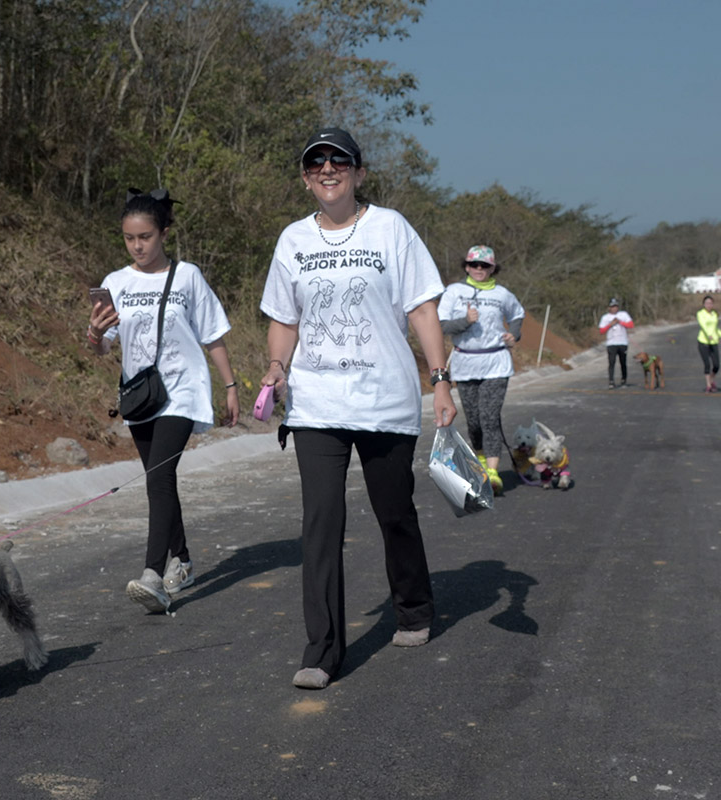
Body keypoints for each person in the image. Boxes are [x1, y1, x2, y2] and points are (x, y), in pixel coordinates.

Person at [258, 127, 456, 690]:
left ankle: (414, 606)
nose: (327, 169)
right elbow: (283, 318)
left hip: (385, 397)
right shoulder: (292, 240)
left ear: (358, 172)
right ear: (305, 177)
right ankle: (321, 650)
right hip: (317, 400)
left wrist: (439, 380)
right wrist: (277, 366)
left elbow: (421, 308)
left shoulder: (390, 227)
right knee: (320, 522)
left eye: (338, 161)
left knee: (393, 510)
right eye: (315, 162)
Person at [87, 188, 240, 614]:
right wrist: (96, 334)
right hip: (141, 395)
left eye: (146, 237)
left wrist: (229, 386)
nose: (138, 246)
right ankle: (184, 559)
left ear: (164, 233)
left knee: (158, 476)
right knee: (161, 481)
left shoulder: (187, 276)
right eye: (129, 238)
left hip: (183, 390)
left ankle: (153, 574)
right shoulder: (116, 282)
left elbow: (212, 334)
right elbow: (103, 347)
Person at [438, 245, 525, 494]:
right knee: (474, 421)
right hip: (465, 364)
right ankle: (482, 463)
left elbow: (518, 315)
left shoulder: (502, 294)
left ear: (492, 268)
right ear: (466, 266)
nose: (479, 269)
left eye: (484, 265)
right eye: (474, 264)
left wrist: (514, 335)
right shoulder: (454, 292)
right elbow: (442, 326)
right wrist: (465, 321)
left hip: (496, 362)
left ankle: (494, 473)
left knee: (489, 416)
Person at [598, 298, 634, 389]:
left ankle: (624, 379)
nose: (614, 308)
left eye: (616, 306)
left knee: (623, 362)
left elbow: (631, 325)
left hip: (622, 342)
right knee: (611, 362)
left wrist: (620, 322)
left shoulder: (623, 314)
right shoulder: (605, 317)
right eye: (612, 307)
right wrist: (611, 324)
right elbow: (601, 331)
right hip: (611, 343)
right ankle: (611, 381)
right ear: (609, 308)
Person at [696, 294, 721, 392]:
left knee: (716, 365)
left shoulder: (714, 314)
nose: (709, 305)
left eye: (710, 303)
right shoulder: (700, 313)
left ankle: (712, 380)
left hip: (714, 341)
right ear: (703, 304)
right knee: (707, 364)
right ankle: (708, 385)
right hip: (703, 341)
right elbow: (703, 326)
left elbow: (716, 329)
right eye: (707, 303)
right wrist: (708, 335)